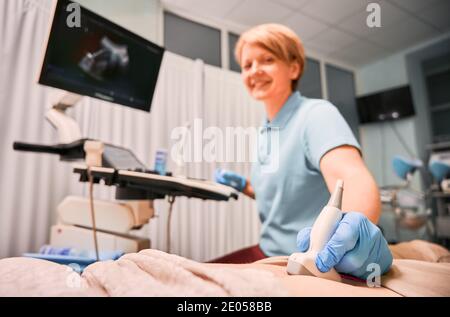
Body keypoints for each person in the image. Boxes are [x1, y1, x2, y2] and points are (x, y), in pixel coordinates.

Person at [212, 24, 392, 280]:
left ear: (293, 68)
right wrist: (245, 186)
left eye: (267, 60)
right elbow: (286, 193)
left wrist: (349, 233)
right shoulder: (266, 131)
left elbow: (353, 180)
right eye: (247, 65)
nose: (255, 71)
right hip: (266, 251)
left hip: (300, 262)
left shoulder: (316, 115)